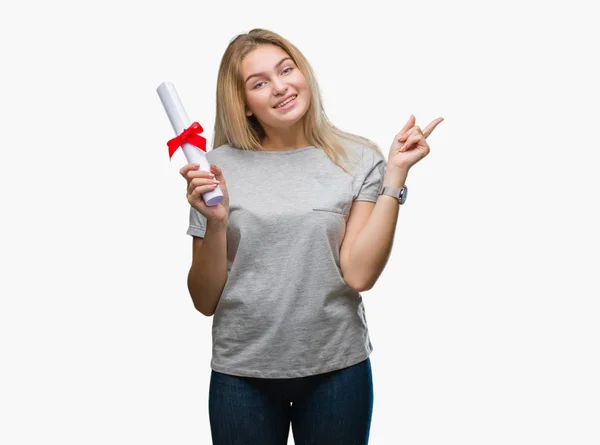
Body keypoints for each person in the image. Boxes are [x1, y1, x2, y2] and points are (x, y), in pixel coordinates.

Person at [179, 28, 443, 445]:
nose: (280, 86)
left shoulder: (358, 157)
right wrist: (215, 221)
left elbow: (358, 275)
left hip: (337, 370)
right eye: (259, 82)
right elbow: (204, 299)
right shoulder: (213, 170)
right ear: (244, 104)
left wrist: (395, 175)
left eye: (287, 69)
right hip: (242, 374)